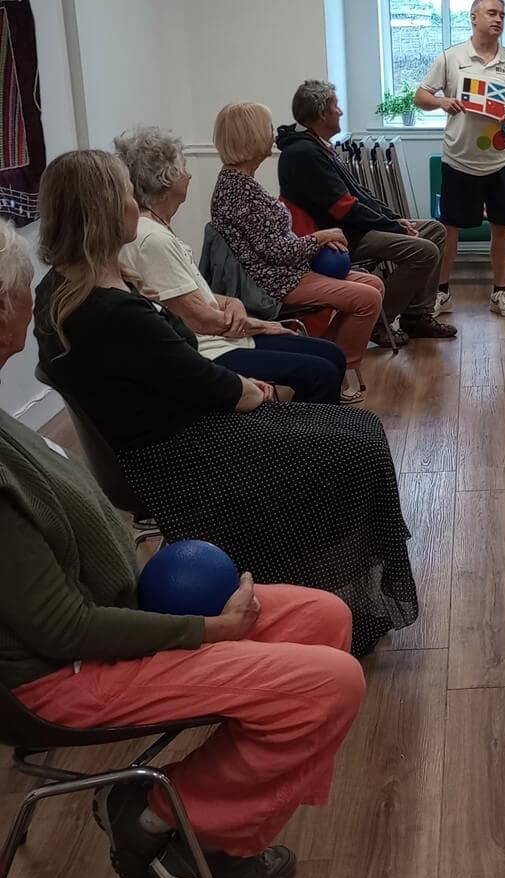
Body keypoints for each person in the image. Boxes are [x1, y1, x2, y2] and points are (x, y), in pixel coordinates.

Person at [0, 218, 363, 878]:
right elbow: (62, 631)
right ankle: (154, 815)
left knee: (323, 616)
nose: (30, 303)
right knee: (329, 686)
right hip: (58, 678)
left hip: (112, 618)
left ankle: (217, 825)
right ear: (1, 311)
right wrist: (205, 633)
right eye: (22, 292)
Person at [33, 149, 418, 659]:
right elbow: (210, 385)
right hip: (183, 453)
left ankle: (319, 589)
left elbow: (180, 371)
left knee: (354, 431)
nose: (135, 204)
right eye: (127, 195)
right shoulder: (107, 311)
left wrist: (249, 387)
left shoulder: (64, 290)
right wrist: (263, 392)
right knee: (357, 444)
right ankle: (332, 602)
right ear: (104, 211)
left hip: (174, 432)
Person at [114, 126, 347, 404]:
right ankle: (303, 439)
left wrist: (230, 303)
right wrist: (261, 325)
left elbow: (189, 297)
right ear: (168, 177)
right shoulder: (152, 239)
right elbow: (197, 319)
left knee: (331, 356)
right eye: (183, 166)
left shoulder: (156, 229)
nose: (188, 174)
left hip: (226, 338)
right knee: (322, 372)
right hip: (211, 351)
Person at [208, 101, 382, 404]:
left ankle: (328, 356)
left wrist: (314, 242)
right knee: (367, 298)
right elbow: (277, 252)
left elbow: (276, 246)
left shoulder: (240, 183)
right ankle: (341, 372)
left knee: (373, 285)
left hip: (287, 271)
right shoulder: (238, 191)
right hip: (273, 283)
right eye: (266, 127)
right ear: (250, 136)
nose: (271, 133)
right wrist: (321, 237)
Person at [276, 79, 456, 344]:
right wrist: (394, 227)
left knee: (435, 231)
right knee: (423, 250)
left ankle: (416, 317)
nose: (340, 112)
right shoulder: (303, 153)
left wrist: (395, 219)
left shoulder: (317, 146)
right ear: (322, 113)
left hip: (354, 228)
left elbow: (360, 195)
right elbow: (346, 209)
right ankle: (378, 322)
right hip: (338, 239)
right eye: (336, 106)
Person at [415, 0, 505, 318]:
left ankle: (500, 292)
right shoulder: (451, 58)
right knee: (451, 229)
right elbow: (420, 95)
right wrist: (442, 102)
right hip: (458, 159)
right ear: (473, 17)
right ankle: (442, 292)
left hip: (500, 160)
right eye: (491, 13)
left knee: (502, 227)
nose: (498, 19)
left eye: (502, 14)